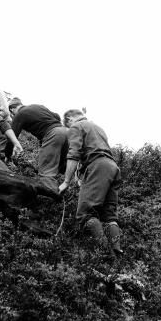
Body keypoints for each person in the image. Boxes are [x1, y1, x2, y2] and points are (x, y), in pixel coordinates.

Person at [59, 109, 123, 256]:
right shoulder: (98, 128)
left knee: (85, 213)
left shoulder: (76, 127)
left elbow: (74, 153)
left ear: (69, 119)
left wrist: (66, 181)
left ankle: (106, 256)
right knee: (109, 216)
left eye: (67, 125)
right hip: (113, 168)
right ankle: (117, 254)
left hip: (98, 166)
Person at [5, 98, 69, 194]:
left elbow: (12, 136)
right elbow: (56, 115)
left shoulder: (20, 114)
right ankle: (70, 193)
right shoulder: (38, 106)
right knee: (62, 166)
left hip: (52, 135)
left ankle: (50, 200)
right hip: (65, 132)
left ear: (12, 109)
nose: (12, 115)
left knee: (46, 171)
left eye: (12, 114)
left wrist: (7, 155)